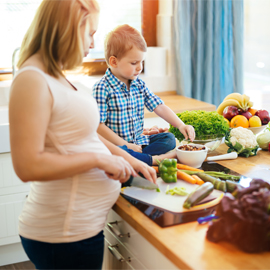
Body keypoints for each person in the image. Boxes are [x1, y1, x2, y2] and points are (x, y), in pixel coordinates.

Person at [9, 1, 156, 269]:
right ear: (67, 28)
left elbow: (87, 135)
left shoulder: (54, 75)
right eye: (89, 33)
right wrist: (99, 161)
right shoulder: (31, 79)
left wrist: (127, 157)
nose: (93, 42)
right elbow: (27, 165)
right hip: (62, 235)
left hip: (80, 228)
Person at [92, 24, 195, 167]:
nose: (140, 67)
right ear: (113, 61)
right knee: (115, 154)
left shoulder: (138, 84)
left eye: (142, 61)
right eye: (134, 63)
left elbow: (158, 106)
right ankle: (145, 159)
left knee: (169, 139)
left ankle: (138, 159)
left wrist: (180, 125)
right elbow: (98, 126)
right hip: (117, 146)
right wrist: (126, 145)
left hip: (139, 143)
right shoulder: (102, 88)